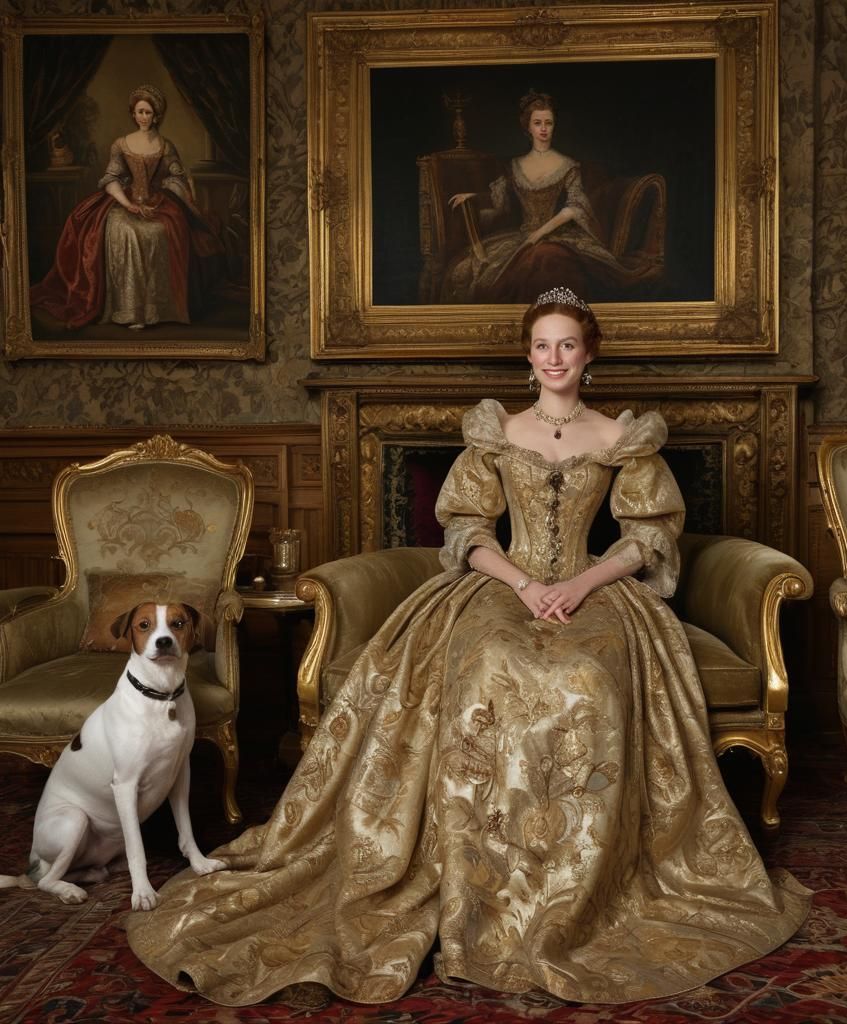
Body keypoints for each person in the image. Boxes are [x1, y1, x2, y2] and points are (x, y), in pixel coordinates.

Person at [126, 286, 810, 1007]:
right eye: (542, 345)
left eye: (567, 345)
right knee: (490, 665)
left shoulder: (621, 438)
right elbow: (465, 530)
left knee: (587, 678)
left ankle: (572, 884)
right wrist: (522, 584)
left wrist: (580, 585)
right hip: (499, 584)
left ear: (590, 354)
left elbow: (649, 538)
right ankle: (477, 880)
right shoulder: (495, 433)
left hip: (597, 587)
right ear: (528, 355)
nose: (554, 358)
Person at [30, 84, 223, 331]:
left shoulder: (166, 146)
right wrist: (129, 205)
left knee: (161, 232)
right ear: (133, 114)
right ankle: (130, 311)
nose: (143, 117)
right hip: (124, 200)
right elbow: (111, 179)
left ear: (157, 116)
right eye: (140, 112)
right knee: (127, 232)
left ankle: (159, 310)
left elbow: (176, 175)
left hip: (159, 203)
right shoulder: (121, 144)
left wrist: (180, 183)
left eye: (148, 113)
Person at [442, 91, 660, 303]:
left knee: (547, 259)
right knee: (497, 274)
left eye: (549, 122)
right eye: (538, 123)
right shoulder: (514, 165)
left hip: (557, 235)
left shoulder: (568, 165)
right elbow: (501, 203)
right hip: (522, 236)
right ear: (528, 126)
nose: (544, 129)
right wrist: (473, 197)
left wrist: (539, 234)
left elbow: (575, 206)